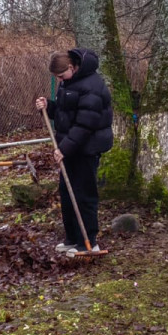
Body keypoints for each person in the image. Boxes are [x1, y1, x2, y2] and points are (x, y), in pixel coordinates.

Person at [34, 49, 113, 256]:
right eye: (56, 78)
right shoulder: (68, 82)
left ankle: (89, 242)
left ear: (71, 67)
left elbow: (85, 124)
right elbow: (65, 112)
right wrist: (48, 106)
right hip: (70, 147)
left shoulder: (93, 86)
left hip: (87, 147)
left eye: (60, 76)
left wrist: (64, 149)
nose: (59, 80)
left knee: (83, 194)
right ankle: (72, 239)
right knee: (67, 192)